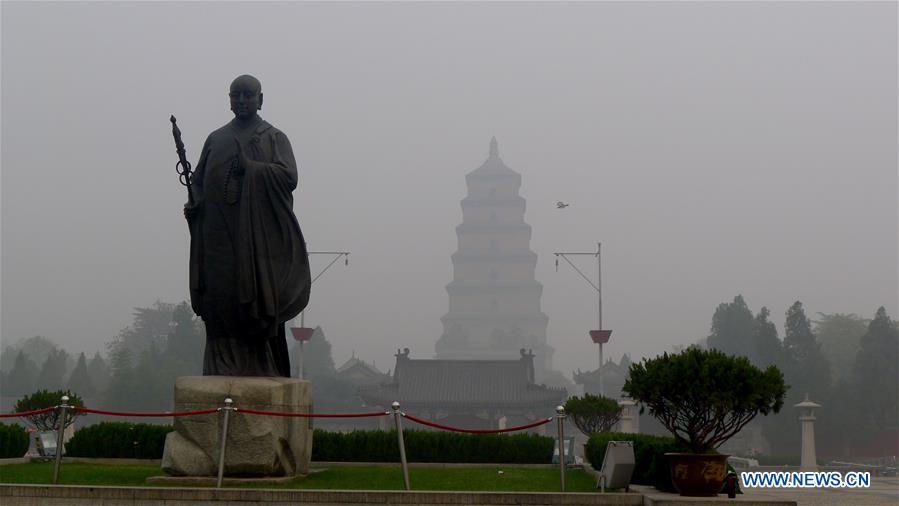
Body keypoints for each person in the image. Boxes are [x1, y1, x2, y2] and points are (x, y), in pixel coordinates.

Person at [183, 75, 310, 377]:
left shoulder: (272, 137)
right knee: (220, 302)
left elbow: (289, 177)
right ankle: (219, 365)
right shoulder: (216, 139)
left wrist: (251, 169)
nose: (241, 100)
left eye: (248, 95)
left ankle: (261, 365)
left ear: (260, 100)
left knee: (253, 301)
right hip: (217, 239)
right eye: (236, 95)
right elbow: (199, 183)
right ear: (228, 99)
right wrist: (195, 205)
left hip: (255, 242)